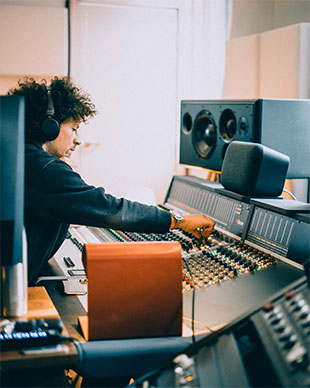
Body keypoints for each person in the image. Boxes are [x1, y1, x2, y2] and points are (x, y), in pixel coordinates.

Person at [8, 77, 215, 285]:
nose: (78, 139)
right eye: (74, 128)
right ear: (49, 126)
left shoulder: (22, 157)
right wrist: (179, 221)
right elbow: (110, 209)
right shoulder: (44, 170)